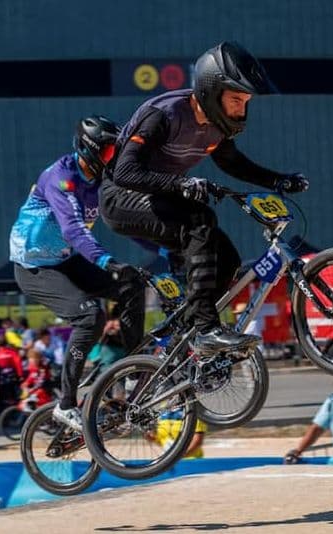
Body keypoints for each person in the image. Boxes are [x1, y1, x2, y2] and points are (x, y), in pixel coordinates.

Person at [100, 41, 308, 356]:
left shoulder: (215, 127)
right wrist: (182, 185)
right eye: (236, 100)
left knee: (228, 260)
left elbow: (232, 163)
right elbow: (124, 173)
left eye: (245, 101)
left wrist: (278, 179)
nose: (241, 110)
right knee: (199, 220)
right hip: (120, 198)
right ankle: (206, 328)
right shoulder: (164, 114)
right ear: (212, 91)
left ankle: (182, 329)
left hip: (159, 199)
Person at [10, 115, 146, 432]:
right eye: (110, 152)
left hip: (65, 259)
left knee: (132, 285)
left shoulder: (102, 181)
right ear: (90, 150)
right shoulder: (61, 177)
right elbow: (72, 228)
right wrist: (104, 260)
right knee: (89, 316)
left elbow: (124, 220)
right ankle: (66, 404)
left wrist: (165, 249)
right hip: (34, 266)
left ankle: (133, 373)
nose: (114, 158)